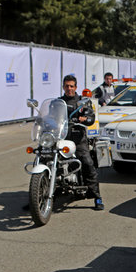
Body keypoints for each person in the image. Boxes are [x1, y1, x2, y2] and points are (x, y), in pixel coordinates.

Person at [60, 75, 104, 210]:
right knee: (45, 157)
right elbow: (51, 116)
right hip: (61, 138)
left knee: (87, 162)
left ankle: (97, 197)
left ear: (76, 87)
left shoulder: (82, 102)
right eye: (67, 86)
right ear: (63, 87)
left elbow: (91, 117)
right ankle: (37, 195)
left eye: (71, 86)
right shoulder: (58, 102)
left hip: (77, 137)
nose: (69, 89)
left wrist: (85, 118)